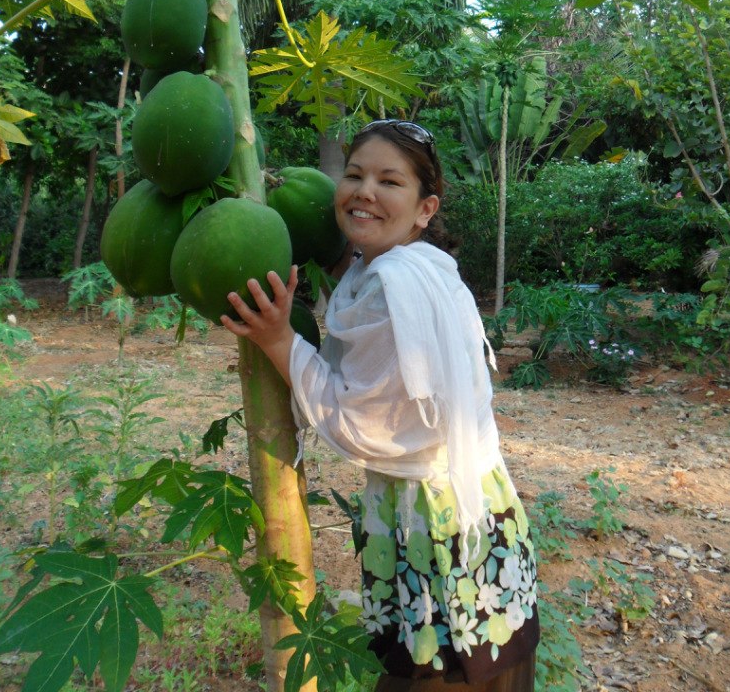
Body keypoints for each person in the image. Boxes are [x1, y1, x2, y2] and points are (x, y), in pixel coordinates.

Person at [222, 120, 539, 691]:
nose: (365, 190)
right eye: (354, 174)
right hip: (477, 507)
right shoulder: (407, 266)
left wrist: (277, 342)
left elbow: (366, 426)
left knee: (441, 674)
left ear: (424, 208)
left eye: (389, 181)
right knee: (484, 663)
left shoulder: (397, 285)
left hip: (436, 522)